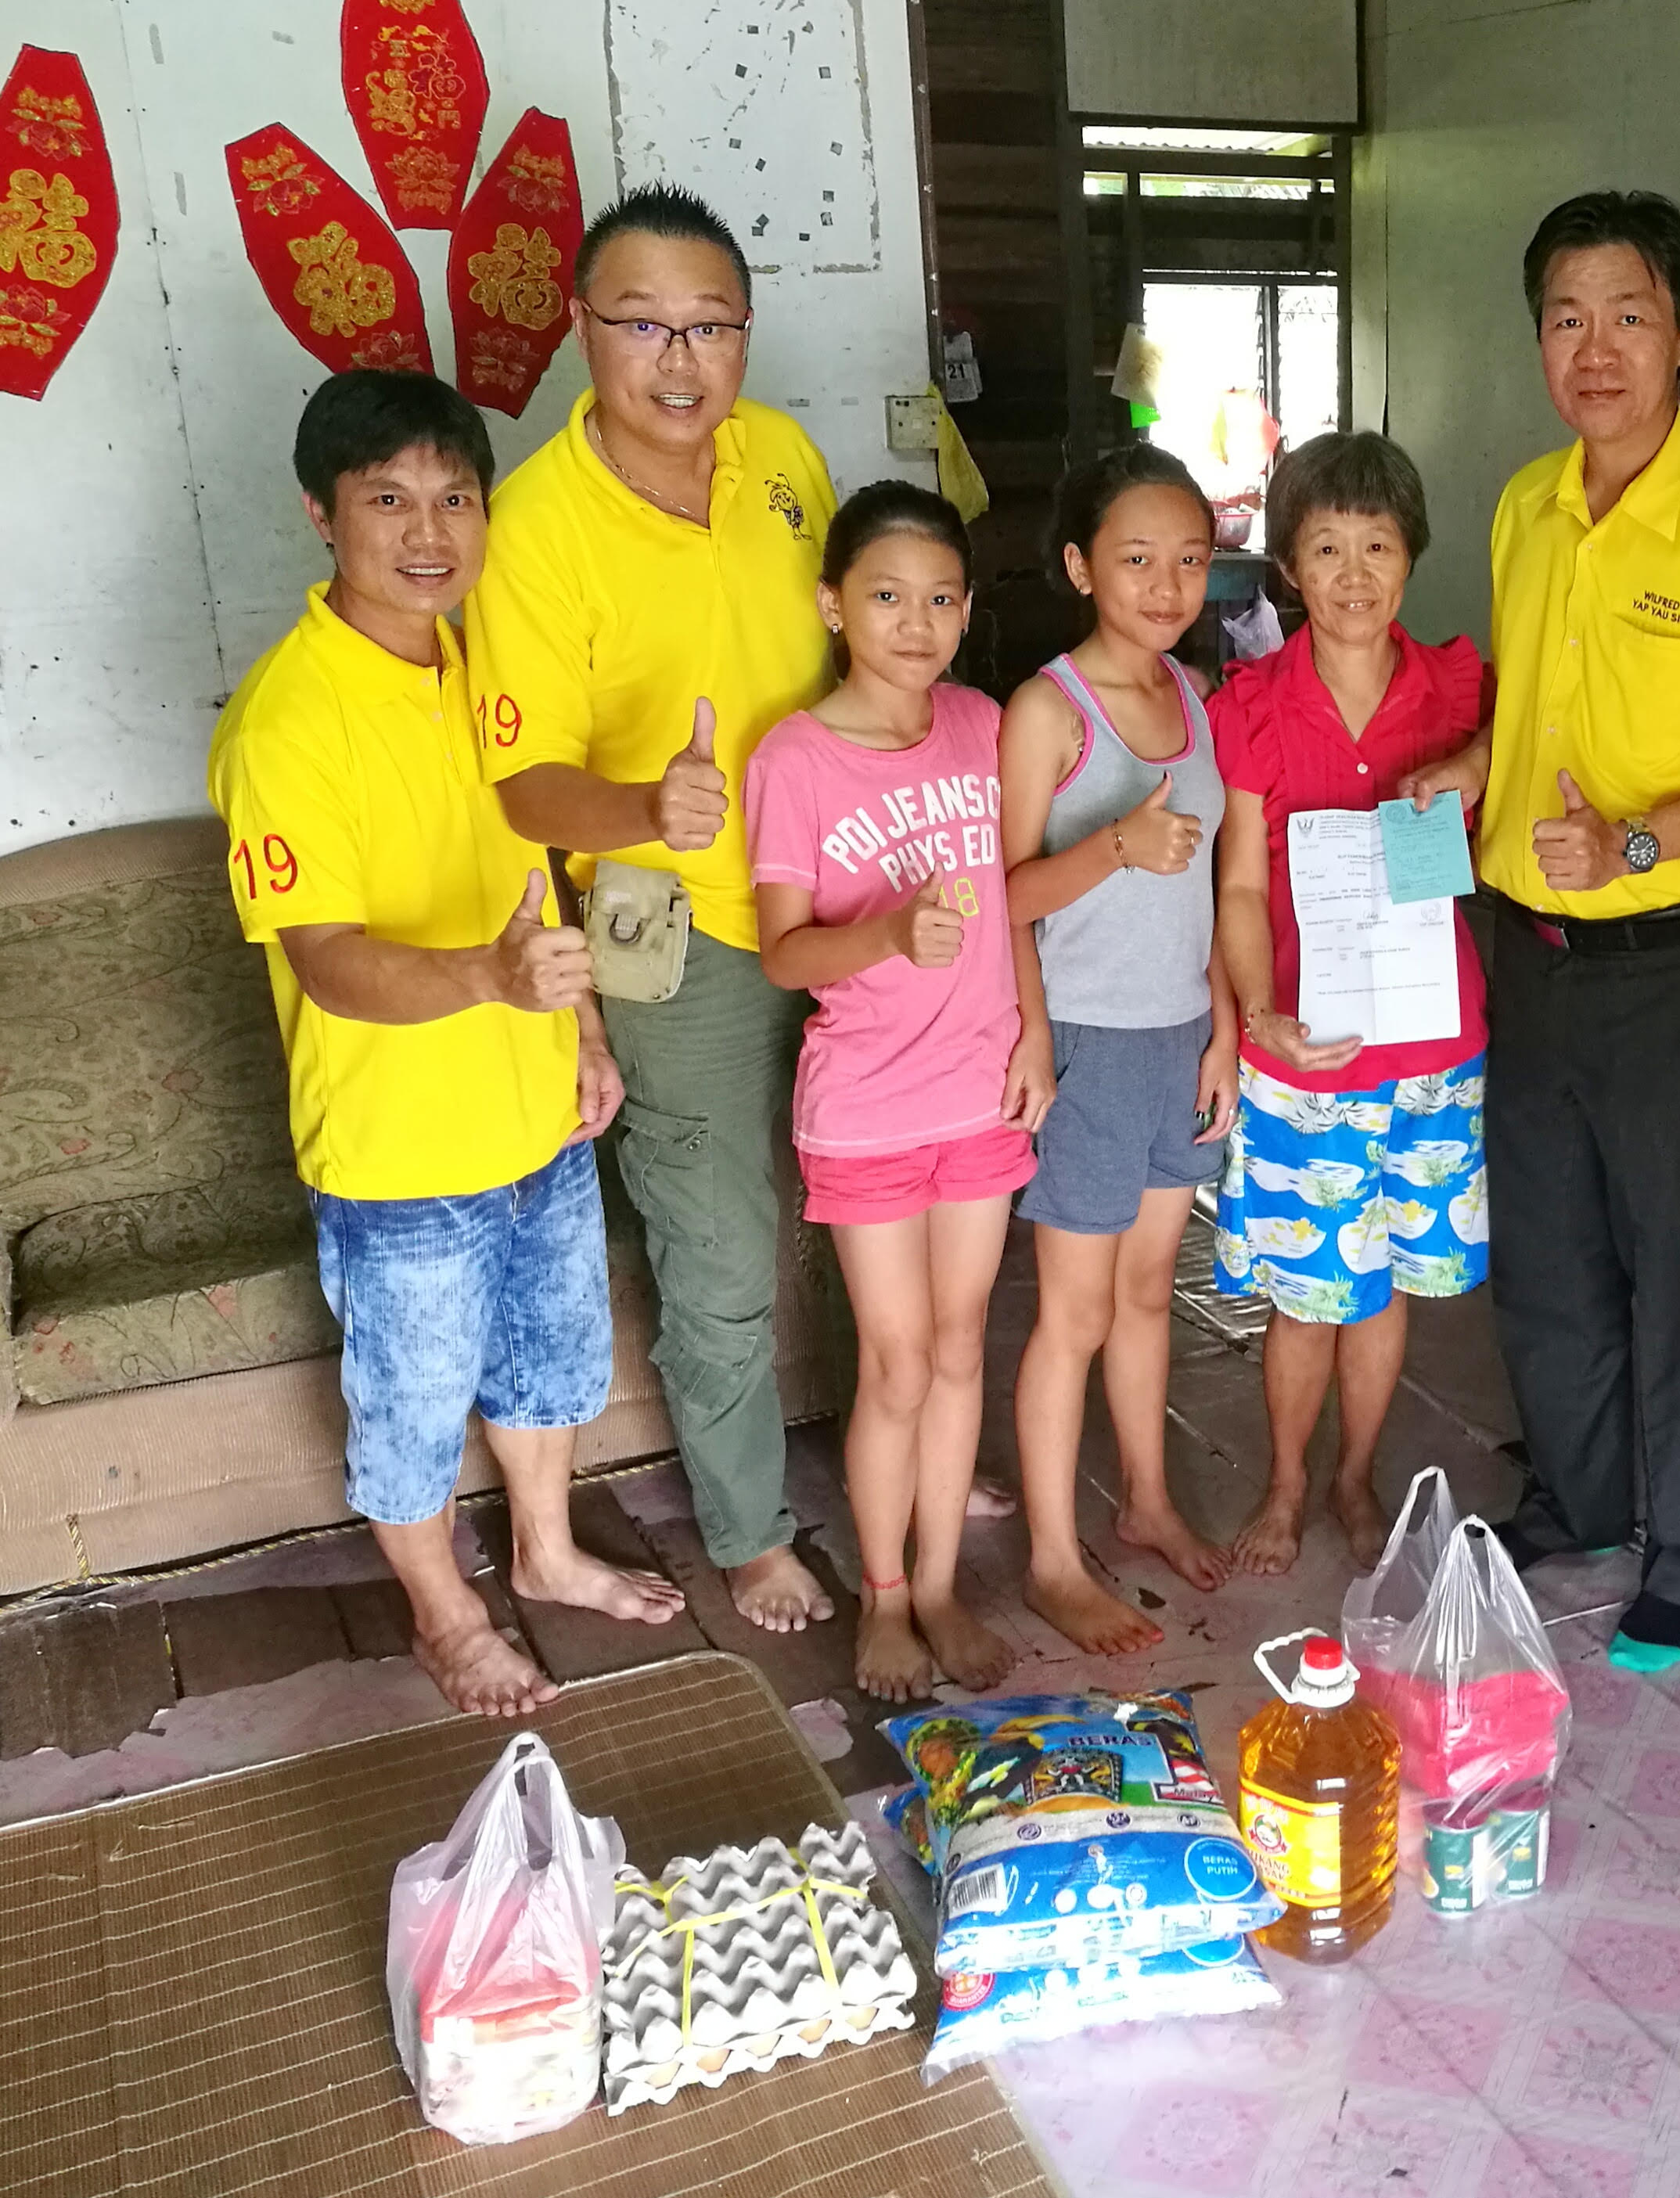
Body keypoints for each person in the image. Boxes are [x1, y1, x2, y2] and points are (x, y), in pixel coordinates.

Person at [1398, 189, 1680, 1675]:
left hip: (1667, 962)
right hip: (1524, 947)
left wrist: (1634, 842)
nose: (1595, 350)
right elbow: (1535, 703)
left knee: (1672, 1260)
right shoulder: (1528, 505)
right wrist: (1471, 768)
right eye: (1566, 319)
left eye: (1628, 317)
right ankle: (1579, 1500)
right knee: (1545, 1254)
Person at [208, 369, 685, 1718]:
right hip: (398, 1149)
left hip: (535, 1110)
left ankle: (545, 1552)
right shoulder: (285, 721)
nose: (430, 533)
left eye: (455, 498)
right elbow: (327, 961)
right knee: (412, 1403)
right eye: (389, 500)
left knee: (551, 1356)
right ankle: (446, 1614)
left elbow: (529, 861)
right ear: (322, 514)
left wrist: (581, 1025)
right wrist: (488, 975)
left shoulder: (484, 666)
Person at [468, 185, 837, 1634]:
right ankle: (748, 1529)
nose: (679, 361)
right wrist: (643, 806)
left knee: (882, 1186)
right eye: (642, 326)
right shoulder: (533, 524)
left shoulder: (783, 457)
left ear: (745, 330)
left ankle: (907, 1449)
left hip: (840, 883)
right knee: (720, 1239)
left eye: (709, 326)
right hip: (662, 919)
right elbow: (519, 783)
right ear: (582, 329)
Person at [744, 482, 1051, 1700]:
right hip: (868, 1106)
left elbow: (1016, 895)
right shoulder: (795, 757)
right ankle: (881, 1596)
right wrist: (885, 934)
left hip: (980, 1089)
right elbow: (782, 951)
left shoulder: (982, 725)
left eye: (939, 599)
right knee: (897, 1362)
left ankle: (937, 1585)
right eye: (886, 596)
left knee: (964, 1344)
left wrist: (1032, 1031)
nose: (915, 623)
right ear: (833, 605)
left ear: (967, 610)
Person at [1208, 431, 1491, 1574]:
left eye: (1377, 545)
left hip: (1431, 1050)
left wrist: (1472, 763)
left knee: (1385, 1290)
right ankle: (1284, 1486)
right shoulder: (1251, 705)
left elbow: (1533, 748)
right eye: (1326, 548)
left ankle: (1353, 1477)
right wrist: (1257, 1011)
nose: (1354, 573)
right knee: (1308, 1294)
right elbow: (1238, 883)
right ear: (1288, 566)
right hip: (1306, 1052)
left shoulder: (1459, 687)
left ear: (1410, 556)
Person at [998, 443, 1241, 1654]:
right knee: (1075, 1312)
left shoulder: (1193, 694)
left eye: (1189, 560)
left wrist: (1223, 1030)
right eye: (1137, 558)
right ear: (1080, 564)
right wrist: (1037, 1039)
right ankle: (1052, 1557)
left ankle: (1144, 1500)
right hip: (1088, 1044)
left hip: (1178, 1037)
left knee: (1150, 1291)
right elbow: (1001, 896)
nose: (1165, 584)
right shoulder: (1048, 710)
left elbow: (1208, 889)